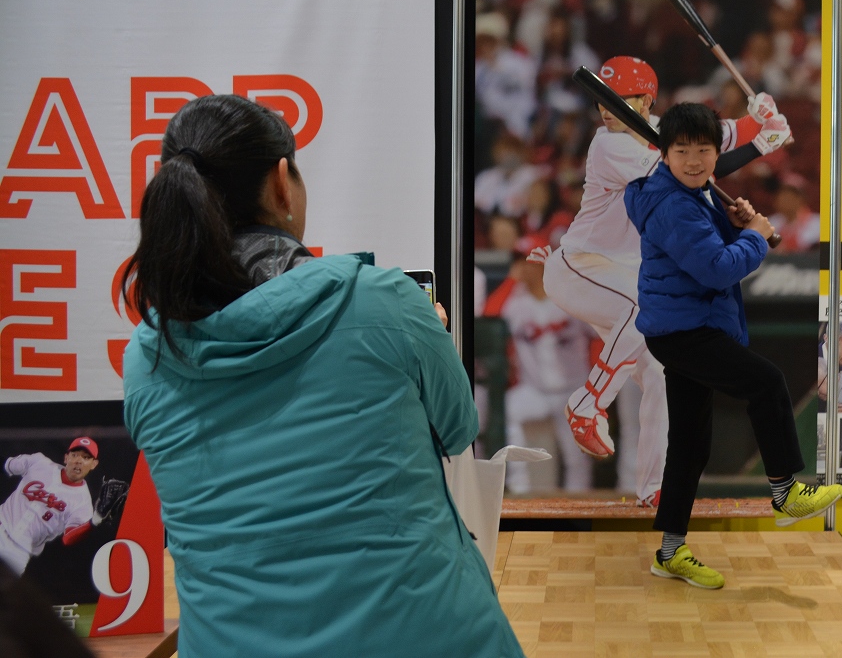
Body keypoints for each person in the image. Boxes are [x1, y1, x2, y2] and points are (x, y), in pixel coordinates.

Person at [121, 95, 523, 657]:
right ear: (281, 183)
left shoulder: (147, 357)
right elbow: (458, 429)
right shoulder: (386, 300)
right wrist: (422, 334)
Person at [538, 56, 790, 507]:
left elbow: (713, 139)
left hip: (619, 276)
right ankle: (587, 404)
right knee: (645, 307)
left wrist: (760, 121)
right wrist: (759, 146)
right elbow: (686, 169)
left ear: (646, 101)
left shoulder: (662, 130)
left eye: (620, 99)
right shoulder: (608, 144)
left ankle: (654, 487)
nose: (607, 109)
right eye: (602, 100)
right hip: (580, 267)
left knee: (660, 371)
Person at [624, 103, 842, 589]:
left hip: (681, 326)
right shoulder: (674, 204)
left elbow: (709, 244)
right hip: (686, 330)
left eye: (704, 150)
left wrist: (733, 222)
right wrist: (757, 238)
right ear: (664, 155)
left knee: (689, 444)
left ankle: (669, 552)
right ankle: (786, 492)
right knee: (766, 382)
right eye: (682, 151)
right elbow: (717, 269)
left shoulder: (689, 192)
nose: (695, 161)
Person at [485, 236, 595, 495]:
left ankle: (579, 502)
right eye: (519, 261)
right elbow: (488, 321)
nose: (524, 267)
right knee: (507, 409)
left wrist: (597, 391)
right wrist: (510, 282)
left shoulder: (571, 298)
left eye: (530, 261)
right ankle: (519, 488)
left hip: (574, 393)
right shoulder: (516, 303)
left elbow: (603, 335)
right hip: (535, 391)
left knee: (577, 458)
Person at [0, 438, 122, 576]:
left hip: (19, 553)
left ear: (94, 464)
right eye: (75, 455)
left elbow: (68, 538)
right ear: (66, 457)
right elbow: (5, 464)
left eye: (86, 457)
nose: (79, 461)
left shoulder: (82, 502)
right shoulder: (39, 463)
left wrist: (93, 522)